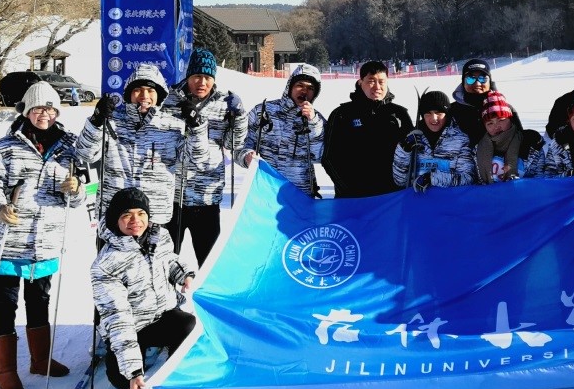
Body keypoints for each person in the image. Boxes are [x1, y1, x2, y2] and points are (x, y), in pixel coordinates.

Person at [0, 81, 84, 389]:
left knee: (39, 301)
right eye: (37, 108)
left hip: (45, 240)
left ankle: (40, 360)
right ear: (26, 111)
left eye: (49, 108)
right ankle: (6, 371)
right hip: (7, 241)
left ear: (57, 111)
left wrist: (75, 189)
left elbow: (77, 198)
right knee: (4, 303)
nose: (44, 114)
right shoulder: (3, 147)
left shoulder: (69, 146)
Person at [91, 187, 196, 389]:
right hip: (131, 326)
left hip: (161, 315)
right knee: (122, 378)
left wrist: (184, 274)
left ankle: (173, 382)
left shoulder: (159, 236)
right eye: (126, 215)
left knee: (188, 324)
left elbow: (169, 259)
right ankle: (127, 377)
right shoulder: (105, 265)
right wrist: (133, 372)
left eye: (141, 213)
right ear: (115, 219)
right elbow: (118, 320)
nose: (135, 220)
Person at [78, 63, 188, 231]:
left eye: (151, 90)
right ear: (129, 94)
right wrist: (96, 121)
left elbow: (196, 161)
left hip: (155, 218)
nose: (144, 95)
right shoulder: (111, 121)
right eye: (138, 90)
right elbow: (85, 154)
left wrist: (197, 128)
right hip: (114, 216)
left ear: (159, 95)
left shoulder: (173, 126)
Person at [164, 47, 246, 267]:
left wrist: (239, 116)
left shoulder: (223, 104)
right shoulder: (168, 100)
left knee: (210, 264)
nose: (202, 82)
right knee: (165, 263)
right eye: (197, 76)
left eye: (208, 77)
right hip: (171, 196)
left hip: (206, 196)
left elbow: (232, 144)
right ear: (188, 76)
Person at [323, 60, 414, 198]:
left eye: (381, 82)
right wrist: (347, 190)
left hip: (391, 196)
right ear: (360, 82)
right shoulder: (342, 114)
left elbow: (412, 155)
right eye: (371, 81)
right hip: (353, 198)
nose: (377, 87)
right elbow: (329, 158)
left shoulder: (400, 114)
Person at [237, 63, 326, 197]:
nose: (304, 91)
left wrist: (312, 122)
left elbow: (320, 156)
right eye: (300, 85)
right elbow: (239, 146)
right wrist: (246, 156)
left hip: (300, 196)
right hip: (264, 191)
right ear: (290, 86)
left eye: (310, 88)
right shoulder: (262, 111)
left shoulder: (317, 121)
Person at [392, 90, 476, 190]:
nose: (434, 118)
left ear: (447, 113)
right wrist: (404, 151)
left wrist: (432, 179)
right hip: (419, 199)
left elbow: (468, 178)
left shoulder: (460, 139)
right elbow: (400, 181)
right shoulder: (413, 139)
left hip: (449, 198)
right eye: (428, 113)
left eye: (438, 112)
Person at [447, 58, 522, 145]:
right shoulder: (451, 110)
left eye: (482, 78)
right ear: (463, 82)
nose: (477, 84)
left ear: (490, 82)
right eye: (470, 79)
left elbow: (519, 139)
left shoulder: (505, 108)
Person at [474, 90, 542, 183]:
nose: (496, 126)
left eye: (501, 120)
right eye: (490, 123)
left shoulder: (531, 143)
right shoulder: (477, 149)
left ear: (510, 119)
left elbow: (541, 179)